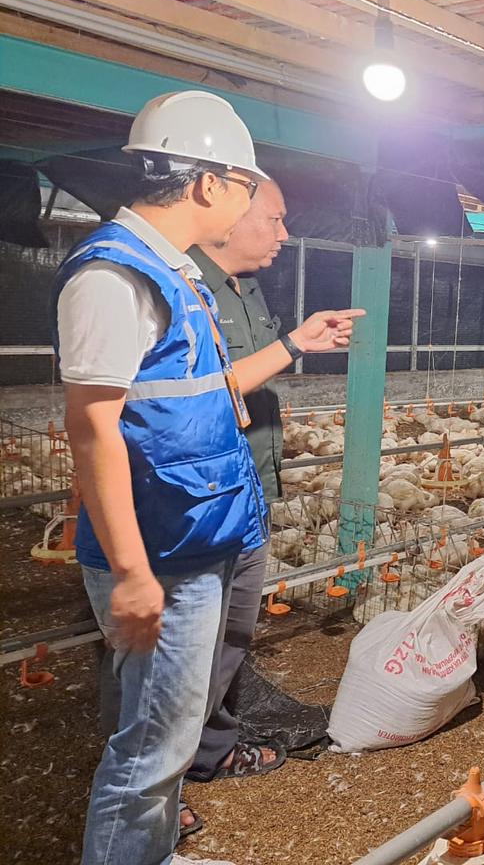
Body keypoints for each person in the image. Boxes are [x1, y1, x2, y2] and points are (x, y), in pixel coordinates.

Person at [54, 89, 362, 865]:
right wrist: (128, 572)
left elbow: (204, 395)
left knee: (171, 734)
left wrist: (292, 345)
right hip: (164, 549)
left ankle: (150, 852)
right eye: (242, 183)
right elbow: (91, 427)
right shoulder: (114, 276)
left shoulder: (172, 273)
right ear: (207, 185)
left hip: (202, 533)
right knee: (151, 749)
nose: (252, 204)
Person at [177, 181, 291, 835]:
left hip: (246, 482)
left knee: (227, 634)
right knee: (176, 644)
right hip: (198, 497)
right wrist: (296, 343)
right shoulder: (184, 287)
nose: (282, 234)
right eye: (273, 219)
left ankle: (208, 748)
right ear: (229, 216)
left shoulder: (247, 290)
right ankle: (153, 782)